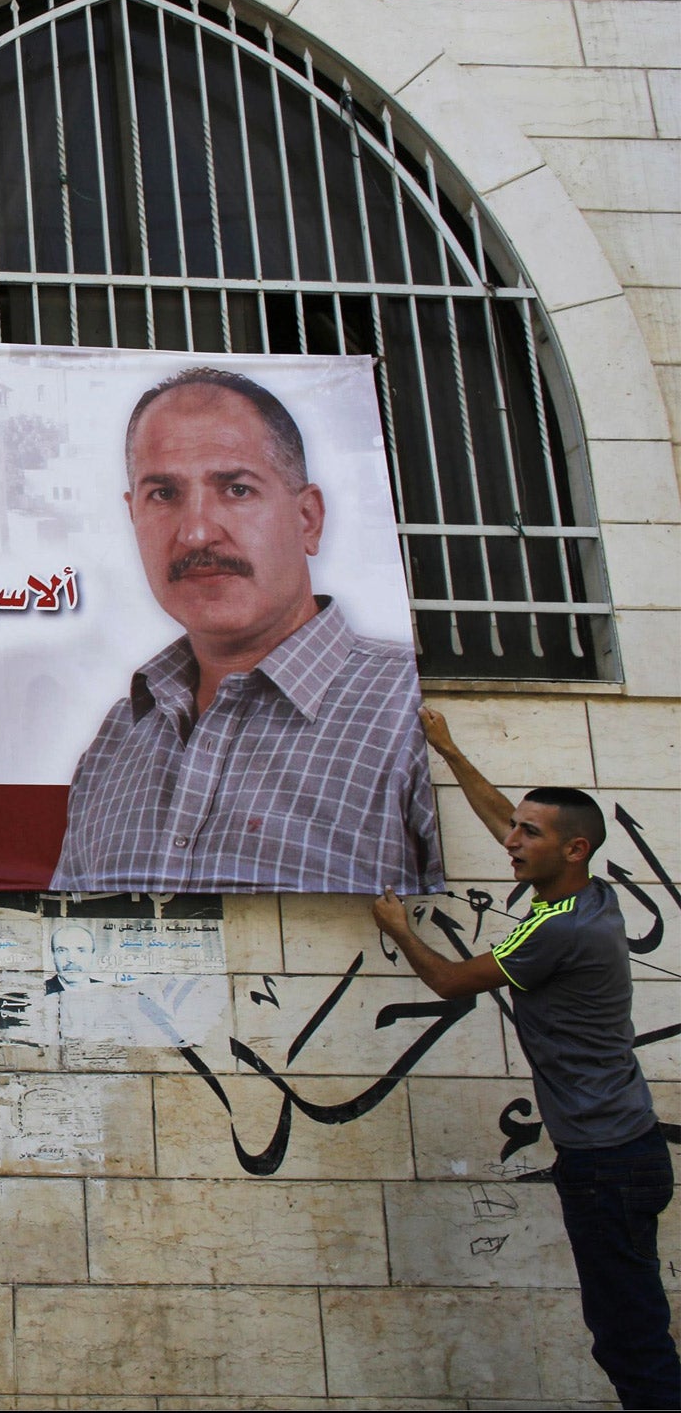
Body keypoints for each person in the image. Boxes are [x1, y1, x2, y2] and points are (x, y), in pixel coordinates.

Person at [374, 706, 679, 1411]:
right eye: (515, 828)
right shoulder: (585, 896)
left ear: (572, 850)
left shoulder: (557, 934)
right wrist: (446, 749)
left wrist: (399, 929)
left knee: (629, 1338)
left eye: (527, 834)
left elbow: (452, 982)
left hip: (608, 1165)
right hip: (619, 1152)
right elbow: (501, 820)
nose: (510, 841)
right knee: (633, 1327)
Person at [52, 365, 440, 895]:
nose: (195, 532)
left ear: (307, 518)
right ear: (134, 518)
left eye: (236, 489)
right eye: (163, 495)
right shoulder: (117, 743)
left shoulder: (409, 715)